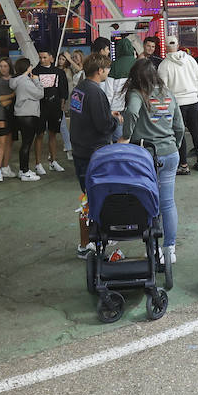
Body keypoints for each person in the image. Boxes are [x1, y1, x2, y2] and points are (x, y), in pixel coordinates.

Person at [121, 58, 186, 264]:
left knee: (147, 201)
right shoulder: (168, 93)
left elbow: (131, 111)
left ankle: (153, 247)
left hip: (147, 155)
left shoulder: (137, 93)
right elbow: (180, 126)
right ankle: (170, 249)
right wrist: (175, 144)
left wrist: (125, 136)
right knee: (168, 202)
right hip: (170, 153)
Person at [68, 53, 120, 257]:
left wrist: (108, 114)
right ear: (100, 70)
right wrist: (115, 121)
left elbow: (86, 117)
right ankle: (98, 241)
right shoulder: (96, 93)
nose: (108, 72)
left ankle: (85, 243)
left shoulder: (79, 90)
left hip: (80, 150)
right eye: (107, 69)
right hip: (95, 154)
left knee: (86, 198)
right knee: (98, 199)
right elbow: (103, 126)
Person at [159, 36, 198, 174]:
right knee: (195, 130)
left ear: (165, 47)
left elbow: (163, 88)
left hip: (177, 103)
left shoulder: (164, 65)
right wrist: (194, 94)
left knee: (180, 132)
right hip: (193, 100)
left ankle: (183, 164)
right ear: (178, 44)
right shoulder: (190, 60)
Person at [31, 50, 68, 173]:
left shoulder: (59, 72)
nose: (42, 60)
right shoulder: (35, 72)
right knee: (40, 134)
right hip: (40, 108)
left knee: (53, 134)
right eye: (40, 57)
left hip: (55, 108)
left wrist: (61, 106)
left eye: (45, 57)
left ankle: (53, 161)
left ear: (51, 58)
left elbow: (63, 90)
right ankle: (38, 163)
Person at [12, 58, 45, 182]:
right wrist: (37, 81)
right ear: (27, 68)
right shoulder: (25, 82)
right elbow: (40, 94)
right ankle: (24, 171)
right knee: (26, 144)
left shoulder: (18, 80)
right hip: (28, 115)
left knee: (25, 143)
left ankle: (23, 169)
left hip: (21, 114)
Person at [0, 57, 17, 179]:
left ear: (10, 66)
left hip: (12, 113)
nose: (3, 68)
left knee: (10, 141)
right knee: (1, 142)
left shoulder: (14, 79)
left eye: (5, 66)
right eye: (1, 66)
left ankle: (5, 167)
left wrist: (6, 99)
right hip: (0, 114)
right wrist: (11, 96)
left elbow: (3, 99)